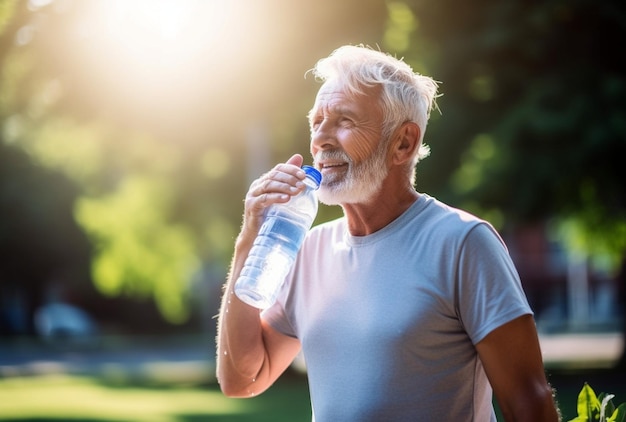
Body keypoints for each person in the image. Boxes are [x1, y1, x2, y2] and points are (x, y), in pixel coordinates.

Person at [216, 44, 560, 421]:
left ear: (403, 143)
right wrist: (249, 239)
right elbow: (242, 378)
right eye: (316, 122)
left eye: (343, 120)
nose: (320, 139)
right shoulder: (309, 249)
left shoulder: (463, 243)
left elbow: (529, 404)